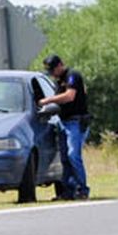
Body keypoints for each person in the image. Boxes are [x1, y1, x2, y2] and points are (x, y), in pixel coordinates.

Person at [40, 54, 90, 200]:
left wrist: (47, 100)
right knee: (65, 158)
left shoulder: (72, 76)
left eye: (53, 70)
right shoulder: (60, 80)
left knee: (73, 155)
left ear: (60, 65)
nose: (52, 74)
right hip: (64, 122)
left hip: (76, 122)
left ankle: (82, 189)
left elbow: (70, 96)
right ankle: (68, 192)